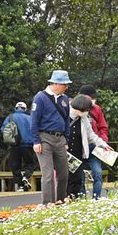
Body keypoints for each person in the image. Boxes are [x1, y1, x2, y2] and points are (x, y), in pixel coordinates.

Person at [30, 70, 72, 204]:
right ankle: (48, 203)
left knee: (64, 173)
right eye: (64, 84)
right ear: (55, 83)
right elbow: (34, 121)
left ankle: (60, 200)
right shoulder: (40, 98)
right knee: (48, 174)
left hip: (60, 139)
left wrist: (66, 139)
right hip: (44, 137)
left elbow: (66, 120)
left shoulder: (64, 99)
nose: (66, 87)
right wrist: (36, 140)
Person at [66, 95, 112, 199]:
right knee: (65, 179)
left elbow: (91, 136)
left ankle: (76, 200)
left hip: (78, 154)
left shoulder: (83, 119)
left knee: (77, 180)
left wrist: (104, 144)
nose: (87, 112)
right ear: (80, 108)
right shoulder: (64, 116)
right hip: (65, 153)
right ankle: (64, 200)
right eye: (86, 110)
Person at [79, 85, 109, 199]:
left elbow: (103, 127)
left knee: (97, 172)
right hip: (79, 146)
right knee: (79, 174)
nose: (92, 100)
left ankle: (96, 198)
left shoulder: (96, 109)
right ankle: (81, 197)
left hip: (94, 146)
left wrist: (103, 142)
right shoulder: (75, 108)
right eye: (91, 97)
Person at [1, 102, 36, 192]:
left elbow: (3, 130)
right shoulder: (30, 118)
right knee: (30, 163)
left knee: (15, 166)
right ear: (25, 109)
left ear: (15, 108)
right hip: (27, 145)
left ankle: (21, 185)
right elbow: (35, 130)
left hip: (14, 145)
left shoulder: (10, 117)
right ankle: (26, 176)